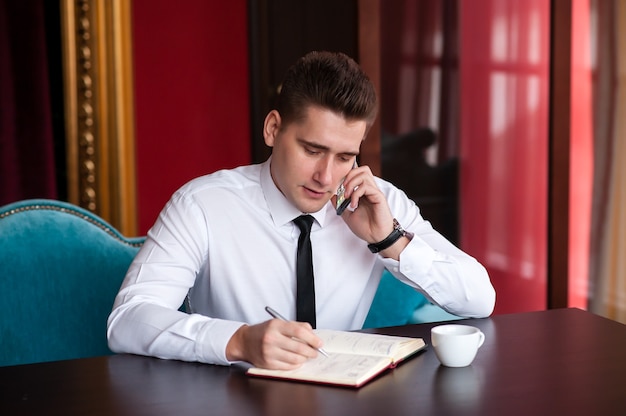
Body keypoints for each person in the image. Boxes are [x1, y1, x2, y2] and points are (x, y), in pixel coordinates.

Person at [107, 51, 495, 370]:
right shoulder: (202, 205)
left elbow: (480, 300)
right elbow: (127, 321)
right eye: (312, 150)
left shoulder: (377, 203)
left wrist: (389, 241)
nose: (326, 176)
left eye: (345, 156)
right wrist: (239, 340)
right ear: (273, 129)